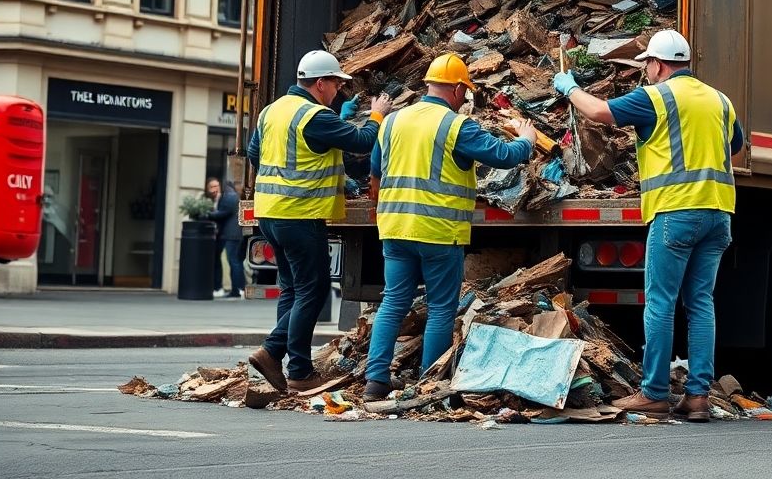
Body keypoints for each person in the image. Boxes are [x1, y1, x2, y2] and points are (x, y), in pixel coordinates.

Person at [554, 29, 743, 422]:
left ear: (657, 64)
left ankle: (655, 393)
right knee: (701, 304)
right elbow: (736, 145)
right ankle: (698, 397)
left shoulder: (655, 97)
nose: (647, 74)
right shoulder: (721, 101)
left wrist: (569, 87)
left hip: (675, 212)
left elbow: (601, 113)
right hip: (719, 214)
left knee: (660, 303)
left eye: (648, 67)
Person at [362, 53, 537, 402]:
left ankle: (375, 381)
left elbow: (375, 176)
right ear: (457, 89)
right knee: (441, 308)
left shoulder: (393, 121)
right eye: (465, 92)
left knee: (393, 303)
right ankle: (429, 384)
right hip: (439, 231)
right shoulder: (456, 126)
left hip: (395, 228)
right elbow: (503, 156)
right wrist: (527, 140)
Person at [245, 49, 393, 395]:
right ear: (321, 83)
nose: (338, 91)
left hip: (269, 213)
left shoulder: (272, 111)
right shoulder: (313, 116)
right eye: (336, 85)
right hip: (299, 214)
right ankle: (273, 352)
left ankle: (297, 370)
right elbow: (362, 142)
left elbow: (256, 154)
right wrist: (377, 116)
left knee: (294, 289)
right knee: (313, 290)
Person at [205, 178, 243, 299]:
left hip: (230, 234)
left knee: (234, 262)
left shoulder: (229, 196)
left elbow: (222, 214)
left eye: (217, 186)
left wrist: (206, 215)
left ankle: (238, 289)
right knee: (234, 262)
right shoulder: (231, 195)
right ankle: (237, 289)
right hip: (230, 234)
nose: (216, 189)